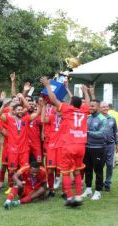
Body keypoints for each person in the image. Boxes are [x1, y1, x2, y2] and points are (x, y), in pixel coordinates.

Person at [41, 76, 90, 207]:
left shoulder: (67, 109)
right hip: (81, 146)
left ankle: (69, 197)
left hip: (68, 145)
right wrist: (86, 92)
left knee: (66, 172)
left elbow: (53, 99)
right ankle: (78, 196)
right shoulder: (84, 110)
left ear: (71, 104)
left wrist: (47, 85)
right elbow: (88, 103)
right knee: (78, 171)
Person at [0, 94, 40, 189]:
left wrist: (23, 97)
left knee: (24, 170)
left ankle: (25, 186)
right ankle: (11, 187)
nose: (20, 111)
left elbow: (35, 112)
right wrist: (3, 106)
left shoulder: (26, 119)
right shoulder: (9, 119)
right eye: (18, 110)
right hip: (13, 150)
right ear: (13, 111)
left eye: (21, 110)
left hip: (24, 150)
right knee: (12, 170)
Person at [81, 99, 107, 201]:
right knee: (87, 169)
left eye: (93, 106)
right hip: (87, 147)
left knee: (98, 170)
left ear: (99, 108)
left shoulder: (103, 119)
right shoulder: (88, 118)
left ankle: (98, 191)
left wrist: (87, 132)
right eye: (90, 106)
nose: (90, 108)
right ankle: (88, 189)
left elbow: (102, 134)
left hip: (98, 148)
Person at [41, 100, 62, 197]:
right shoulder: (52, 117)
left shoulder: (66, 118)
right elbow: (43, 120)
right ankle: (51, 189)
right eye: (56, 107)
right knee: (50, 170)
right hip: (52, 147)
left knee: (63, 169)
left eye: (59, 107)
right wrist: (44, 106)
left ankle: (66, 191)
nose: (57, 108)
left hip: (62, 147)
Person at [99, 101, 118, 192]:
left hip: (110, 145)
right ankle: (99, 183)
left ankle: (107, 183)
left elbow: (116, 132)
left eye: (106, 107)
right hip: (99, 145)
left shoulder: (112, 119)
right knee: (100, 165)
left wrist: (117, 143)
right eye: (103, 107)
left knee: (110, 164)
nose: (105, 108)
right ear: (99, 108)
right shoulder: (97, 118)